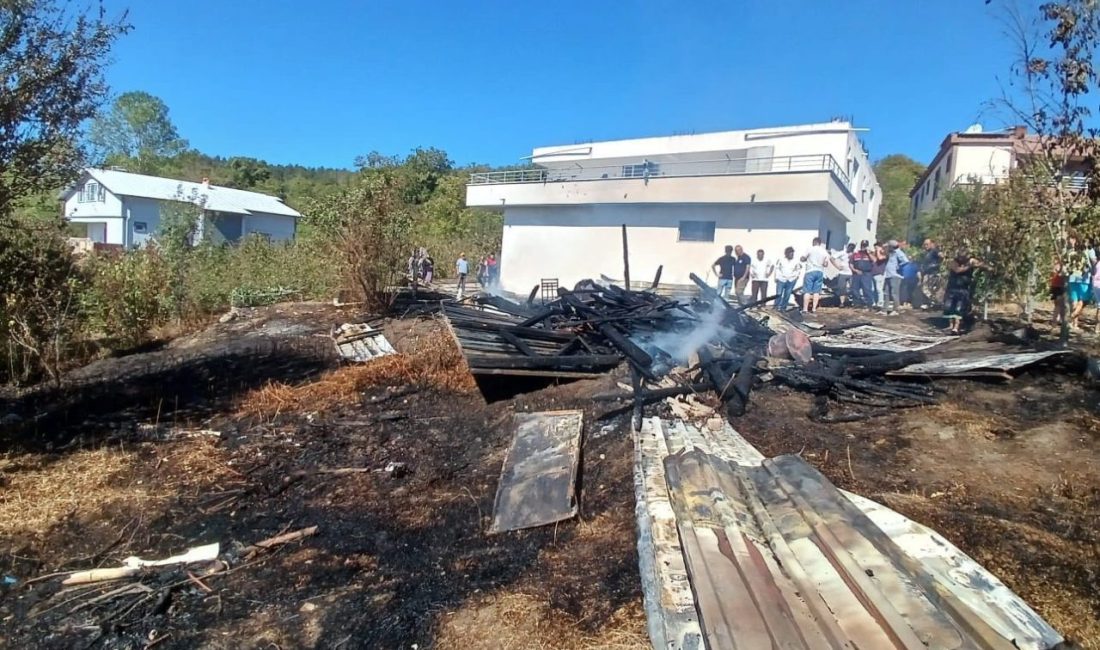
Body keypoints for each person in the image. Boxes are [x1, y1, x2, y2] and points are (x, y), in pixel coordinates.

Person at [943, 251, 983, 334]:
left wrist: (982, 266)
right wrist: (970, 266)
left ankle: (956, 327)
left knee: (959, 308)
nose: (961, 259)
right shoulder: (953, 262)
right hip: (952, 288)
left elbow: (981, 264)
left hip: (963, 289)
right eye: (960, 257)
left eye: (963, 257)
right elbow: (957, 270)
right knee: (949, 307)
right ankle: (951, 325)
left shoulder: (970, 261)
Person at [1065, 234, 1096, 330]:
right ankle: (1072, 317)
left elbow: (1066, 264)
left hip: (1072, 278)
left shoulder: (1070, 252)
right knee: (1082, 301)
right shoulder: (1088, 251)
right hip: (1084, 278)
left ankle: (1074, 324)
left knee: (1074, 300)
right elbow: (1094, 262)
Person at [800, 237, 830, 313]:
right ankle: (813, 309)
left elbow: (802, 259)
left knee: (807, 291)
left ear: (814, 242)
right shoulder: (824, 251)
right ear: (820, 243)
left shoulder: (810, 249)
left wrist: (804, 259)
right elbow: (826, 264)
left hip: (810, 271)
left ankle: (805, 309)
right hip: (820, 271)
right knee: (816, 292)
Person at [880, 240, 909, 315]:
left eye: (889, 246)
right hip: (888, 275)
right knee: (886, 292)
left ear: (891, 246)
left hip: (895, 276)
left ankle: (896, 310)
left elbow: (906, 261)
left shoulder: (898, 252)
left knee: (894, 293)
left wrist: (898, 267)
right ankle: (884, 310)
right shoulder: (891, 253)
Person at [849, 240, 874, 308]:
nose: (864, 247)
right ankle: (857, 303)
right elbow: (851, 263)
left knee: (867, 288)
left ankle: (869, 303)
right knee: (855, 289)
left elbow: (874, 260)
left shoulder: (870, 254)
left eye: (865, 246)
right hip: (856, 273)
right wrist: (855, 270)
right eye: (863, 245)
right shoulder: (856, 254)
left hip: (866, 273)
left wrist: (869, 253)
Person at [921, 239, 943, 308]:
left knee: (926, 289)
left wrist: (937, 264)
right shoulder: (926, 253)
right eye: (925, 244)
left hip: (933, 273)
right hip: (927, 273)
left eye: (927, 244)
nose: (926, 246)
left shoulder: (934, 251)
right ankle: (932, 302)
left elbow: (942, 256)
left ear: (931, 244)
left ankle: (934, 301)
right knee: (929, 289)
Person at [832, 243, 854, 307]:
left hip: (852, 273)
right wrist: (837, 266)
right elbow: (832, 258)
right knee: (841, 288)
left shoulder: (854, 254)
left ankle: (852, 301)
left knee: (852, 288)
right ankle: (842, 303)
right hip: (843, 273)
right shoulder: (842, 253)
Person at [1050, 259, 1067, 327]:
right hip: (1059, 286)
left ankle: (1057, 319)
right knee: (1059, 304)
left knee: (1058, 304)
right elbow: (1061, 274)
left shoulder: (1056, 265)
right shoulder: (1060, 266)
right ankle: (1055, 321)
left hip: (1055, 285)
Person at [871, 243, 887, 309]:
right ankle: (874, 302)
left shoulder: (885, 254)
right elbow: (874, 260)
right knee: (873, 289)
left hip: (880, 274)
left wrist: (878, 250)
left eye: (876, 247)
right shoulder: (874, 254)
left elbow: (880, 258)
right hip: (873, 273)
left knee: (879, 289)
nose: (875, 249)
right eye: (875, 248)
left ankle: (880, 303)